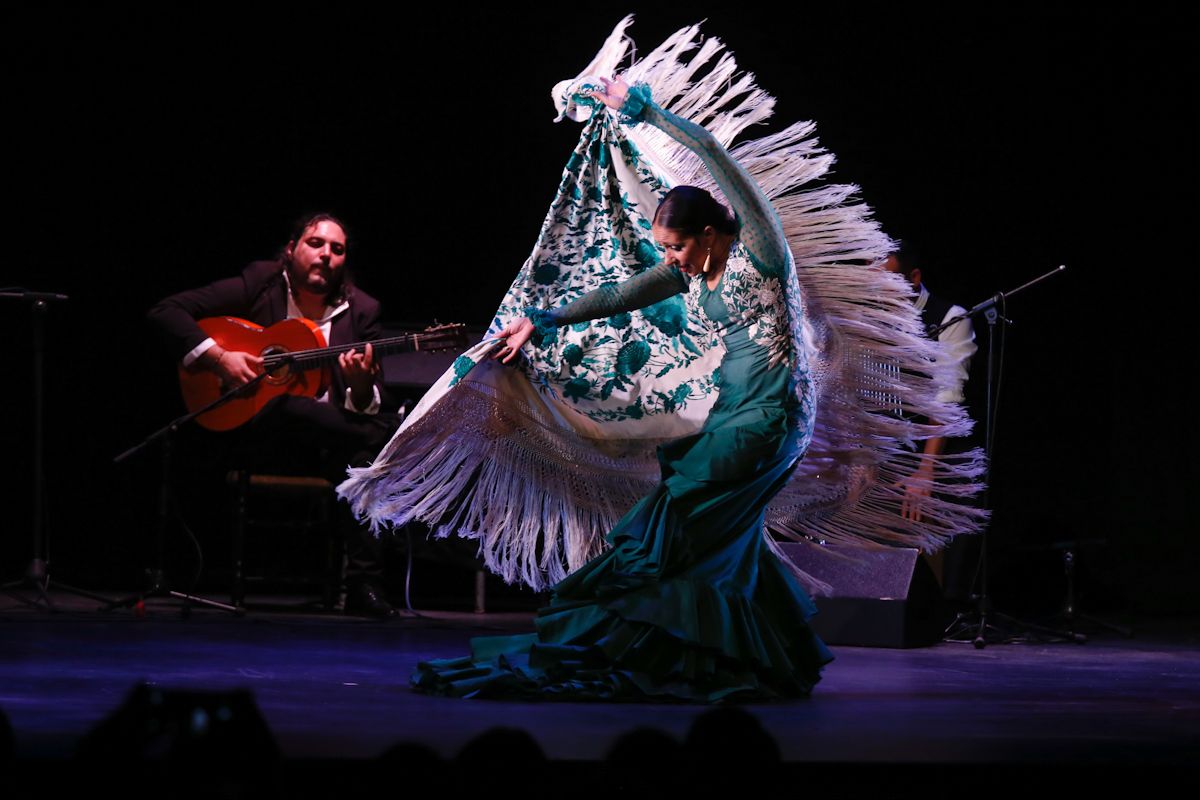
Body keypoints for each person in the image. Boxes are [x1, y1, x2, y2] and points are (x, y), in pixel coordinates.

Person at [407, 77, 834, 700]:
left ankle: (658, 653)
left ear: (710, 233)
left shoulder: (761, 249)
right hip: (735, 414)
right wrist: (546, 317)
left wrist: (647, 112)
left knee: (677, 531)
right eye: (666, 249)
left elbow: (717, 157)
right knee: (718, 548)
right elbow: (621, 294)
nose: (675, 259)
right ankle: (731, 662)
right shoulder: (697, 267)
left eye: (679, 246)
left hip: (769, 420)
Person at [147, 213, 402, 618]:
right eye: (315, 243)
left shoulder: (362, 311)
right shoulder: (260, 283)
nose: (326, 255)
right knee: (303, 408)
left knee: (365, 459)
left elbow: (368, 397)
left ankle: (364, 585)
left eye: (337, 249)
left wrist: (355, 386)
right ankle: (390, 435)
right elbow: (167, 311)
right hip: (252, 433)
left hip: (327, 447)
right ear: (290, 250)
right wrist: (219, 358)